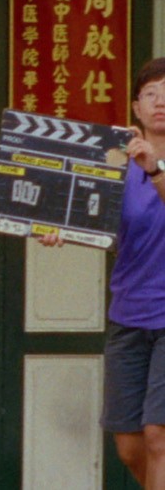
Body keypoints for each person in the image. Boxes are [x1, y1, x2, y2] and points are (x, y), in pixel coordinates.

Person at [40, 57, 165, 487]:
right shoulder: (116, 162)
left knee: (158, 438)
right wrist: (62, 230)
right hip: (129, 314)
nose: (160, 102)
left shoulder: (147, 164)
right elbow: (103, 229)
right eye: (151, 94)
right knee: (129, 445)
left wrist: (155, 168)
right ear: (135, 107)